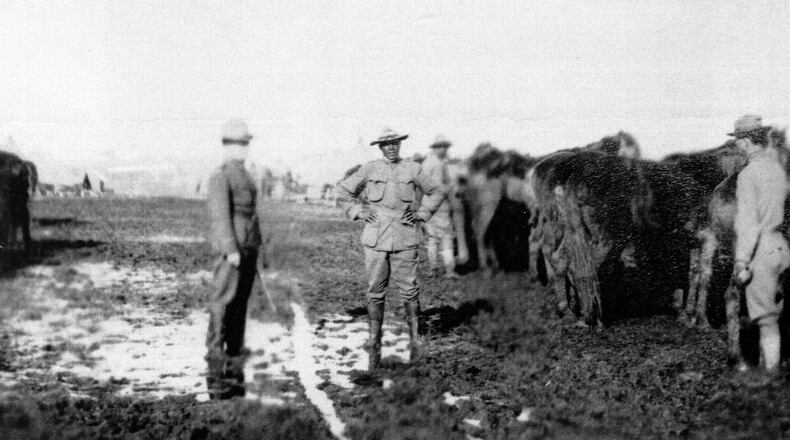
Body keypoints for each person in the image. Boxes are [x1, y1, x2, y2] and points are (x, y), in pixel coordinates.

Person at [337, 127, 444, 369]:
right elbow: (343, 191)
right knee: (375, 290)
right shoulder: (370, 168)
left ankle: (416, 339)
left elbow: (437, 191)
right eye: (386, 144)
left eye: (395, 143)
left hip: (405, 236)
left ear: (400, 144)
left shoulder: (413, 169)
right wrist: (358, 210)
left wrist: (421, 213)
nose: (391, 147)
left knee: (409, 289)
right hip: (375, 238)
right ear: (380, 147)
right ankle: (374, 339)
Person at [205, 118, 264, 399]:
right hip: (233, 250)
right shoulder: (221, 175)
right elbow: (220, 215)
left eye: (245, 144)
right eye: (237, 144)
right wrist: (230, 249)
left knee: (240, 303)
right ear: (226, 146)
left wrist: (257, 249)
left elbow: (252, 215)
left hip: (248, 248)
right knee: (222, 301)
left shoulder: (246, 174)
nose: (242, 149)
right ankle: (215, 359)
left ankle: (234, 353)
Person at [731, 113, 790, 374]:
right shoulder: (778, 170)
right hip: (783, 245)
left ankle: (771, 375)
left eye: (737, 142)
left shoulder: (747, 175)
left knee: (766, 318)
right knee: (781, 310)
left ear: (744, 143)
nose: (736, 147)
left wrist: (742, 260)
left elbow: (747, 223)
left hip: (761, 248)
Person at [420, 135, 459, 278]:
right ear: (438, 148)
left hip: (427, 206)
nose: (446, 150)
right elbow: (439, 189)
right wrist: (451, 186)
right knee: (447, 238)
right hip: (440, 207)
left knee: (432, 239)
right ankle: (450, 271)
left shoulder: (426, 162)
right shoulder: (438, 164)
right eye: (444, 147)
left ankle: (433, 269)